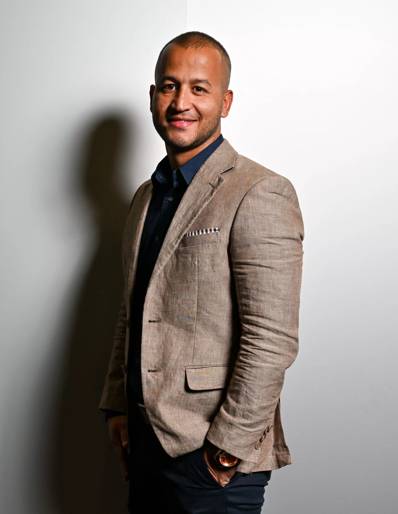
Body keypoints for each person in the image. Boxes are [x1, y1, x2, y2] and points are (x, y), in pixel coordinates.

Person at [98, 31, 304, 513]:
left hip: (211, 458)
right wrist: (117, 404)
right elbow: (134, 310)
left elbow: (271, 338)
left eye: (199, 88)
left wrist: (225, 450)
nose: (181, 102)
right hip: (145, 445)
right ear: (152, 97)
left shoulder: (260, 192)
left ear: (225, 101)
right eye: (169, 87)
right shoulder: (145, 198)